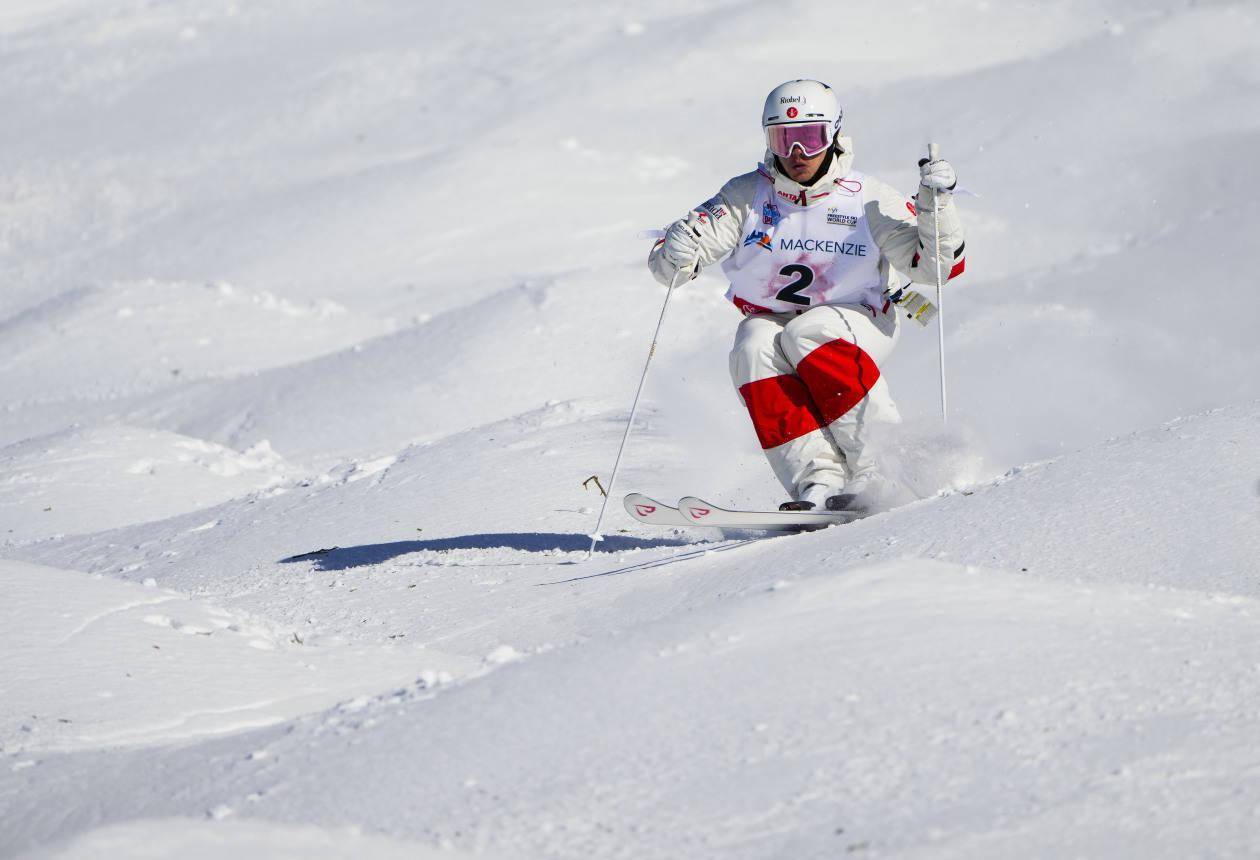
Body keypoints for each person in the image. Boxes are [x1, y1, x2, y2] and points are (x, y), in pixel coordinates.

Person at [648, 79, 965, 513]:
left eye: (809, 138)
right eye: (784, 139)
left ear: (833, 135)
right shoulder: (746, 197)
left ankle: (882, 468)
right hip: (775, 319)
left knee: (810, 331)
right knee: (752, 344)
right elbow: (671, 271)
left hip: (860, 318)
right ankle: (817, 479)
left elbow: (936, 268)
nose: (797, 154)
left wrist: (937, 209)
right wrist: (676, 251)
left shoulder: (866, 197)